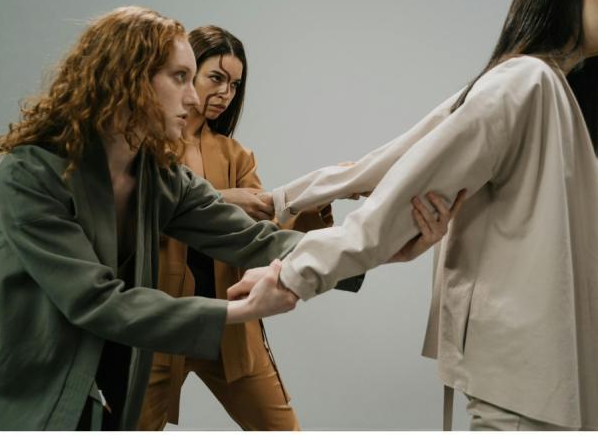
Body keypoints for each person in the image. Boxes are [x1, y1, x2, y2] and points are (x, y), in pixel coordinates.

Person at [0, 7, 451, 431]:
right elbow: (96, 301)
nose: (197, 98)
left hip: (89, 395)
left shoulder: (159, 177)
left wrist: (377, 250)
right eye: (181, 77)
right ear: (128, 79)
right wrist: (238, 310)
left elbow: (254, 240)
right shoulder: (29, 174)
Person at [231, 0, 598, 430]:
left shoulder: (537, 86)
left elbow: (397, 158)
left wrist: (287, 201)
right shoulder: (524, 83)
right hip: (526, 363)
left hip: (542, 353)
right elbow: (406, 182)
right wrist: (295, 272)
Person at [137, 25, 455, 430]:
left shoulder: (235, 153)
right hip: (162, 327)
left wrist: (320, 196)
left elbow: (265, 231)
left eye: (234, 84)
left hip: (231, 326)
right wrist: (234, 199)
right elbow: (143, 213)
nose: (225, 93)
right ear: (185, 73)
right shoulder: (148, 145)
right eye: (215, 77)